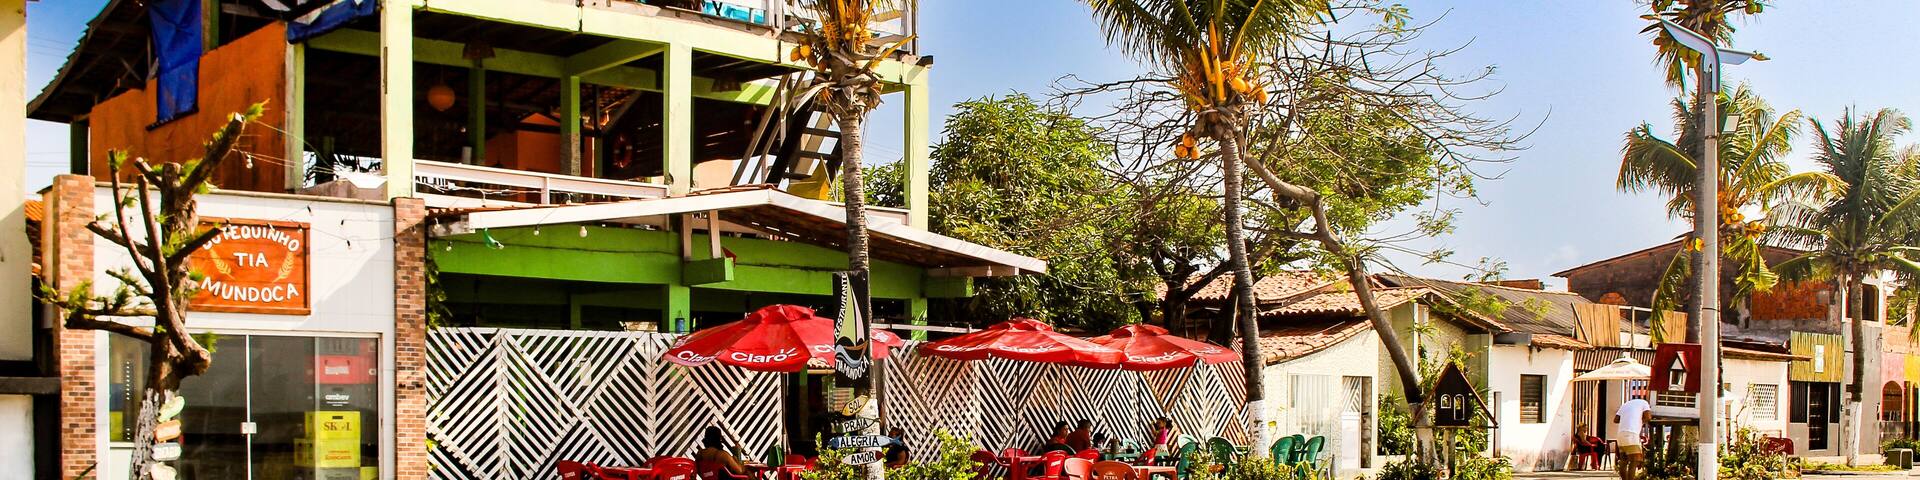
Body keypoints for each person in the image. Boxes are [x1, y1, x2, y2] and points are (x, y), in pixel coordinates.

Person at [1614, 394, 1652, 480]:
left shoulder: (1625, 404)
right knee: (1634, 461)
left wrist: (1629, 418)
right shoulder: (1644, 403)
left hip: (1620, 435)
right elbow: (1648, 417)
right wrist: (1640, 421)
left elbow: (1616, 420)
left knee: (1624, 461)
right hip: (1631, 434)